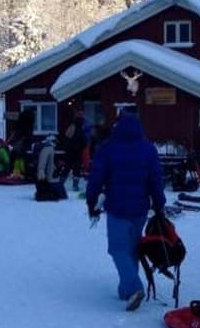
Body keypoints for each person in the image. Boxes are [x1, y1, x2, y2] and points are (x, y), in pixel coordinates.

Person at [85, 110, 166, 311]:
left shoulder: (108, 148)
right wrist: (159, 204)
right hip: (139, 209)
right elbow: (156, 179)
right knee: (130, 249)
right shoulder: (148, 149)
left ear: (117, 126)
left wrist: (91, 201)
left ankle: (134, 288)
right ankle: (125, 289)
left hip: (117, 208)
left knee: (117, 249)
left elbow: (96, 177)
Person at [34, 135, 67, 201]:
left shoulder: (49, 148)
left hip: (50, 177)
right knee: (62, 195)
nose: (56, 143)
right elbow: (42, 163)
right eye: (55, 141)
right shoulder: (47, 148)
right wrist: (41, 174)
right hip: (50, 179)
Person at [62, 108, 88, 191]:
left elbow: (67, 135)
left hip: (72, 149)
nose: (81, 115)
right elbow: (68, 135)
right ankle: (73, 185)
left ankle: (61, 183)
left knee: (69, 167)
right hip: (76, 149)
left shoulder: (74, 124)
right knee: (74, 168)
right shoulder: (81, 125)